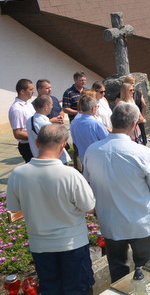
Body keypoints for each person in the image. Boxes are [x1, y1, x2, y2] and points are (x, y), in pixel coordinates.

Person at [6, 125, 96, 295]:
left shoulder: (18, 174)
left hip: (40, 245)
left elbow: (13, 208)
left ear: (37, 143)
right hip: (72, 243)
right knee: (79, 290)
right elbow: (89, 207)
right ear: (63, 145)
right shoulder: (70, 174)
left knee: (50, 290)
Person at [84, 103, 150, 283]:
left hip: (110, 222)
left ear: (112, 121)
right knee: (145, 269)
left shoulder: (92, 150)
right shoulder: (141, 152)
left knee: (118, 269)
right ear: (134, 124)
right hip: (141, 221)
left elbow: (88, 184)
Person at [27, 95, 71, 165]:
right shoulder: (47, 125)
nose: (52, 107)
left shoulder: (29, 120)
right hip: (55, 160)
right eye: (51, 105)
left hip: (38, 156)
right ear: (46, 107)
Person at [69, 95, 109, 168]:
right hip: (97, 157)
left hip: (83, 157)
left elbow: (74, 141)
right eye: (96, 107)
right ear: (92, 109)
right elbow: (107, 140)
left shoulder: (74, 123)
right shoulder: (96, 123)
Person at [9, 78, 35, 162]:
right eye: (31, 89)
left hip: (34, 142)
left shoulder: (29, 104)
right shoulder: (17, 109)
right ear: (22, 91)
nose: (33, 91)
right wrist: (37, 136)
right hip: (27, 146)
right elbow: (18, 133)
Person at [122, 75, 148, 144]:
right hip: (131, 124)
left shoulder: (138, 93)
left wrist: (141, 117)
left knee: (142, 140)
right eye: (131, 83)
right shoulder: (121, 97)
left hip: (139, 121)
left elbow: (144, 105)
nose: (133, 85)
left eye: (133, 83)